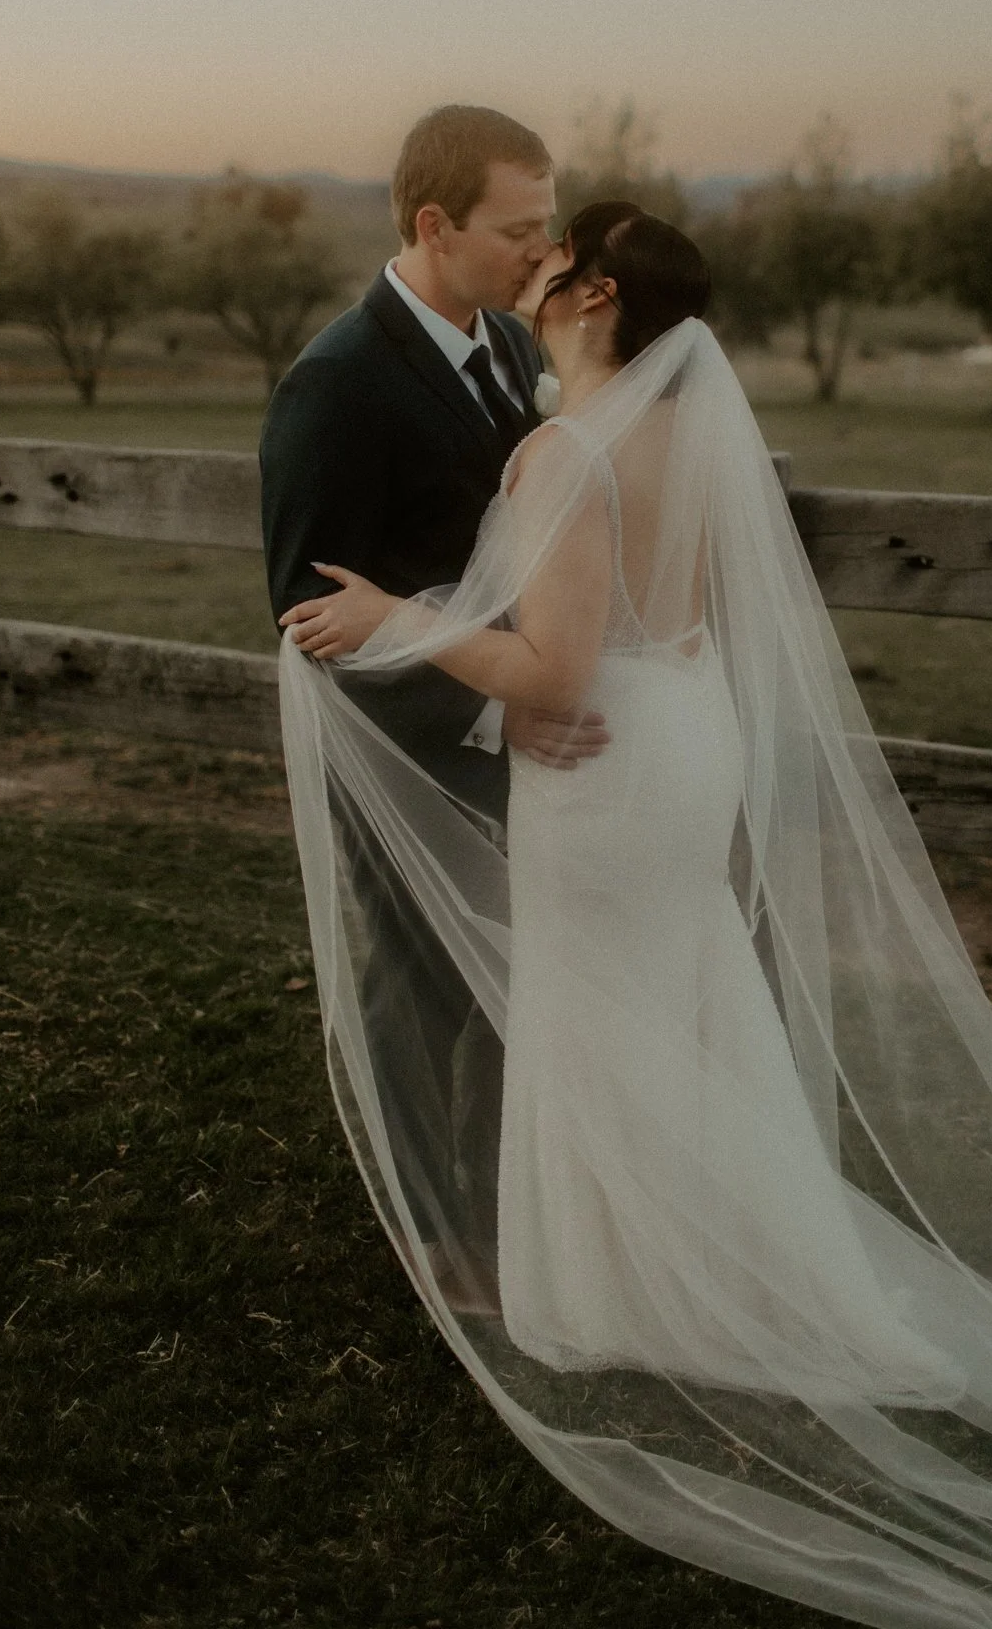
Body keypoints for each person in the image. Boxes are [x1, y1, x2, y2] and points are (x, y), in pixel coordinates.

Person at [278, 208, 992, 1628]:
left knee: (605, 1004)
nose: (526, 267)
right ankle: (700, 1265)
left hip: (607, 761)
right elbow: (678, 627)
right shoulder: (685, 439)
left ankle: (634, 1291)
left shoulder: (565, 452)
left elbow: (560, 671)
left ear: (590, 294)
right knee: (682, 988)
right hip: (683, 738)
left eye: (550, 256)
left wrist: (391, 619)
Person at [260, 104, 609, 1317]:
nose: (542, 251)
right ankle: (430, 1232)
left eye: (545, 223)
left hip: (509, 724)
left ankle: (510, 1203)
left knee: (506, 977)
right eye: (519, 230)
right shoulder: (335, 381)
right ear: (433, 224)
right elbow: (308, 614)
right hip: (401, 749)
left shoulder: (506, 348)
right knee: (417, 990)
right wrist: (484, 709)